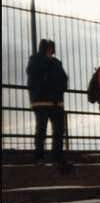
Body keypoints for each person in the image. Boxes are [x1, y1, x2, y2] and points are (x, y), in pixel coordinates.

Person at [26, 38, 69, 167]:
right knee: (41, 129)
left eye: (51, 48)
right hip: (42, 101)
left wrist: (60, 88)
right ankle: (39, 157)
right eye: (48, 48)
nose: (50, 50)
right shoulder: (36, 60)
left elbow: (63, 79)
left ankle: (57, 157)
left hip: (55, 101)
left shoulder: (56, 62)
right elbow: (34, 76)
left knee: (59, 130)